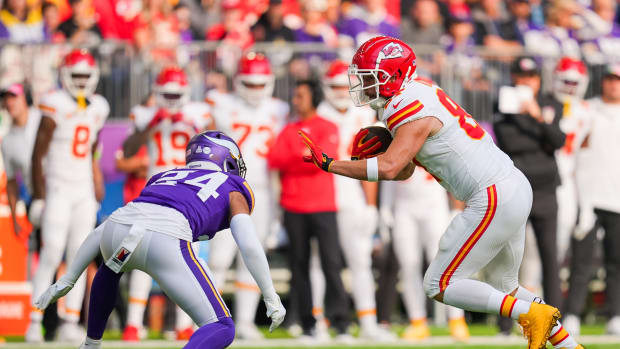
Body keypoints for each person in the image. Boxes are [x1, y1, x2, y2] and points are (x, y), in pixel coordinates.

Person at [299, 36, 584, 349]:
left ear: (393, 77)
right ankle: (569, 345)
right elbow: (405, 169)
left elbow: (391, 167)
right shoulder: (419, 90)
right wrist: (386, 149)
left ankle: (532, 314)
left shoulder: (407, 104)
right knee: (505, 288)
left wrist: (330, 164)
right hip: (511, 186)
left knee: (440, 284)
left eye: (370, 79)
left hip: (490, 194)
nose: (364, 87)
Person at [33, 131, 287, 349]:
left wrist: (69, 278)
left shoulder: (164, 176)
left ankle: (90, 344)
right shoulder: (232, 185)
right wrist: (270, 295)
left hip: (117, 230)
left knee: (112, 266)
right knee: (221, 326)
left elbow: (109, 227)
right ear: (228, 161)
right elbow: (249, 244)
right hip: (166, 239)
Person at [121, 66, 211, 341]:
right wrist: (151, 124)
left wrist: (196, 127)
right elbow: (127, 148)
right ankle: (133, 325)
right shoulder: (145, 114)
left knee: (188, 260)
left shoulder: (198, 112)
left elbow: (211, 142)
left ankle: (184, 324)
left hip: (187, 194)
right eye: (167, 93)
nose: (172, 99)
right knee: (143, 257)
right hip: (157, 192)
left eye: (176, 93)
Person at [26, 49, 109, 343]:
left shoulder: (99, 106)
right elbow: (38, 153)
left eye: (86, 75)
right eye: (77, 75)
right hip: (58, 188)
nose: (82, 81)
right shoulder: (54, 103)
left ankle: (70, 321)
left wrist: (97, 180)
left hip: (83, 189)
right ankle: (35, 319)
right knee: (51, 252)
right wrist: (39, 195)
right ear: (64, 76)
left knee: (79, 256)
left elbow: (92, 150)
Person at [310, 60, 394, 341]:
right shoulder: (315, 116)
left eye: (342, 86)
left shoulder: (363, 117)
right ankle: (318, 321)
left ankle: (368, 322)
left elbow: (371, 164)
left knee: (359, 261)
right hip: (320, 197)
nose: (339, 92)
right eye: (333, 86)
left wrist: (371, 205)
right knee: (320, 263)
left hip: (352, 197)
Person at [206, 53, 288, 340]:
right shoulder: (221, 103)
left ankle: (244, 322)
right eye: (249, 84)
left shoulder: (279, 108)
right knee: (219, 257)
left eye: (259, 84)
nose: (255, 90)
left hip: (262, 191)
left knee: (253, 258)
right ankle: (209, 319)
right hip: (228, 190)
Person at [268, 80, 351, 340]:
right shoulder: (289, 129)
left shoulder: (328, 126)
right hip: (294, 206)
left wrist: (300, 157)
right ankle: (308, 324)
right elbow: (275, 160)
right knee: (298, 268)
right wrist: (305, 155)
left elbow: (324, 160)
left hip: (323, 205)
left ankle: (340, 323)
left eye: (300, 95)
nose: (295, 100)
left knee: (331, 265)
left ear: (313, 98)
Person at [494, 56, 566, 312]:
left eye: (531, 77)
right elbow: (511, 143)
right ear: (514, 79)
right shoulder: (503, 105)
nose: (527, 82)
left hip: (546, 190)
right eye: (522, 78)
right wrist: (540, 135)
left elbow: (558, 140)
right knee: (510, 256)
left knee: (550, 254)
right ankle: (505, 319)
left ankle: (557, 313)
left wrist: (537, 117)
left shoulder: (550, 104)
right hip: (516, 189)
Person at [563, 63, 620, 337]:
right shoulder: (587, 109)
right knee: (581, 260)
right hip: (586, 197)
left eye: (617, 80)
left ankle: (616, 314)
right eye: (610, 79)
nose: (613, 84)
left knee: (616, 260)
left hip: (617, 197)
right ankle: (572, 313)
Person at [381, 169, 469, 341]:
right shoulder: (394, 141)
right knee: (408, 265)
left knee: (444, 264)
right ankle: (417, 321)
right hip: (404, 206)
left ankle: (457, 319)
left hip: (434, 205)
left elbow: (454, 172)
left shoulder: (434, 140)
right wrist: (385, 206)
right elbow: (389, 167)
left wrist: (457, 208)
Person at [550, 57, 592, 263]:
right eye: (566, 82)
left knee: (563, 229)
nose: (569, 88)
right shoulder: (545, 104)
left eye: (574, 83)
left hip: (570, 177)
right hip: (545, 174)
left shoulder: (588, 111)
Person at [0, 83, 41, 238]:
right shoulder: (8, 141)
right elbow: (11, 183)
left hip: (62, 191)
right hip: (36, 200)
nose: (10, 102)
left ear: (25, 98)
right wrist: (14, 219)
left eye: (14, 97)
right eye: (6, 99)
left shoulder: (42, 119)